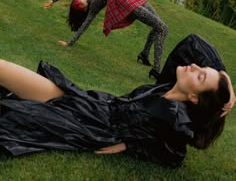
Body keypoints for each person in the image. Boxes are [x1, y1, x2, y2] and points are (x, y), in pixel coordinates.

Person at [0, 35, 234, 167]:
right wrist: (225, 78)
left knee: (9, 100)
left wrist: (132, 145)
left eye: (200, 75)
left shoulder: (175, 117)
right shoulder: (167, 85)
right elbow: (193, 43)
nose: (194, 66)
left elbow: (174, 156)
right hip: (89, 103)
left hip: (86, 124)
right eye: (202, 68)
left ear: (194, 97)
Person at [44, 0, 168, 78]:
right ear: (84, 10)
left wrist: (54, 0)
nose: (78, 2)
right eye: (78, 6)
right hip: (129, 5)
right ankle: (157, 70)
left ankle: (144, 54)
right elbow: (86, 23)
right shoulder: (94, 3)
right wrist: (70, 42)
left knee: (158, 27)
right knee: (162, 28)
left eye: (75, 2)